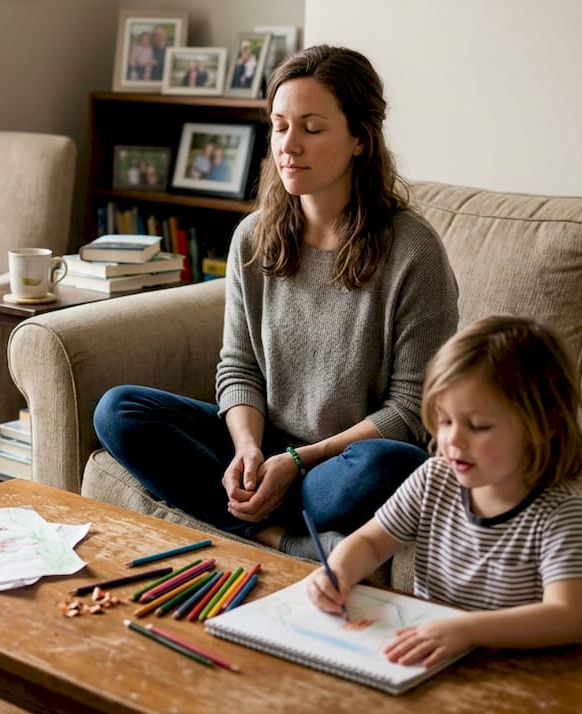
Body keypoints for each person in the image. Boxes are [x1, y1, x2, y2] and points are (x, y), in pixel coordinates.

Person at [93, 45, 459, 559]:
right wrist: (246, 450)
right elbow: (239, 366)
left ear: (359, 138)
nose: (289, 145)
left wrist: (298, 462)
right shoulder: (253, 237)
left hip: (342, 458)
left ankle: (252, 514)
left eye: (312, 128)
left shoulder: (412, 249)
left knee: (391, 464)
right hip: (265, 443)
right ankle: (271, 535)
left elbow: (412, 409)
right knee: (119, 410)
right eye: (280, 125)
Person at [304, 315, 582, 667]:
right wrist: (337, 571)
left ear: (543, 426)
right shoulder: (434, 478)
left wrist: (467, 630)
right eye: (445, 420)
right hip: (426, 661)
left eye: (477, 426)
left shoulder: (562, 514)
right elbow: (371, 542)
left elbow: (566, 618)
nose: (452, 440)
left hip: (512, 672)